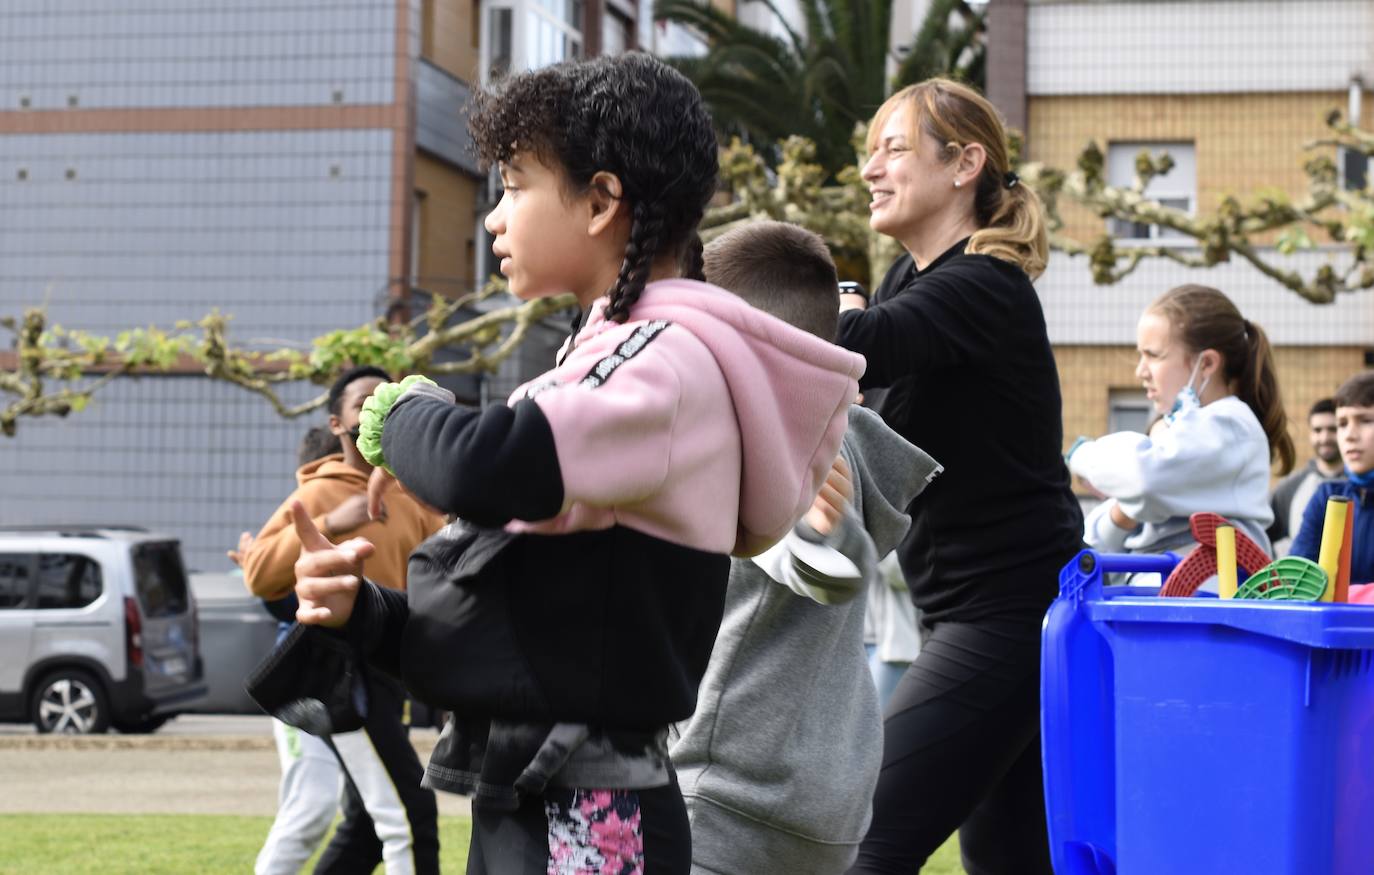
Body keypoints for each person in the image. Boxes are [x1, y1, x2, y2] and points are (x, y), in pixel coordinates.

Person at [276, 53, 862, 874]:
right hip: (537, 804)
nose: (492, 217)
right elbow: (520, 645)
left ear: (600, 200)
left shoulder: (663, 364)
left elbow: (485, 465)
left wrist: (392, 410)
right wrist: (364, 615)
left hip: (588, 818)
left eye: (514, 184)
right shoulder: (603, 362)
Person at [833, 78, 1085, 875]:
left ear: (965, 163)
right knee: (1009, 859)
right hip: (971, 615)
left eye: (894, 149)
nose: (872, 169)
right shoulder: (912, 283)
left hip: (1006, 618)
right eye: (870, 152)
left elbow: (861, 342)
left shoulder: (985, 285)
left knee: (861, 843)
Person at [668, 221, 939, 875]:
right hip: (822, 808)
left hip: (727, 800)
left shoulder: (763, 451)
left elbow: (810, 558)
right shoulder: (837, 439)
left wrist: (815, 538)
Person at [244, 365, 445, 875]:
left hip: (396, 671)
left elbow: (448, 571)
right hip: (341, 677)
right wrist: (334, 522)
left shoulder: (413, 494)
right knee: (407, 812)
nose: (374, 410)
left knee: (364, 828)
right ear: (337, 424)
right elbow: (261, 575)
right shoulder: (314, 494)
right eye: (363, 403)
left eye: (386, 400)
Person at [1068, 285, 1293, 560]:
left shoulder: (1231, 424)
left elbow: (1143, 478)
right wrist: (1124, 511)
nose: (1140, 371)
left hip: (1208, 597)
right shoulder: (1181, 435)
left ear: (1207, 364)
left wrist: (1083, 455)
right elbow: (1094, 542)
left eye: (1153, 355)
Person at [1291, 371, 1374, 585]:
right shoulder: (1326, 497)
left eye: (1365, 420)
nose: (1349, 435)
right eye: (1343, 423)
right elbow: (1295, 582)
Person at [1269, 398, 1344, 554]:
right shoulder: (1289, 488)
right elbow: (1269, 539)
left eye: (1333, 429)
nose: (1324, 438)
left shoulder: (1363, 488)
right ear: (1310, 433)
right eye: (1318, 430)